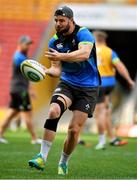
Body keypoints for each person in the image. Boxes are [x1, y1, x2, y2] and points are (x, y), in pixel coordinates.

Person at [28, 6, 100, 175]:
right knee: (53, 111)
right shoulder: (54, 41)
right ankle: (41, 157)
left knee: (74, 130)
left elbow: (84, 54)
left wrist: (60, 56)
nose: (58, 24)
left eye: (62, 20)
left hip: (88, 88)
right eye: (56, 20)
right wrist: (43, 71)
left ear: (71, 20)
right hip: (67, 83)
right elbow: (56, 70)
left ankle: (63, 162)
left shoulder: (84, 34)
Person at [93, 31, 135, 150]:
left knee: (99, 113)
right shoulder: (110, 52)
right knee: (106, 111)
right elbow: (120, 66)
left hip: (98, 84)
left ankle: (101, 141)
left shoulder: (90, 51)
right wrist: (129, 80)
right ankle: (112, 138)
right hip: (110, 85)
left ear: (96, 39)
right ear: (105, 40)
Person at [0, 36, 41, 144]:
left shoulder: (21, 56)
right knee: (27, 114)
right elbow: (28, 74)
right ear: (20, 44)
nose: (28, 46)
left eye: (29, 44)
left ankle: (0, 134)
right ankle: (34, 138)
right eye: (27, 44)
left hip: (16, 88)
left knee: (11, 113)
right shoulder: (19, 57)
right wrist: (31, 89)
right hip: (20, 89)